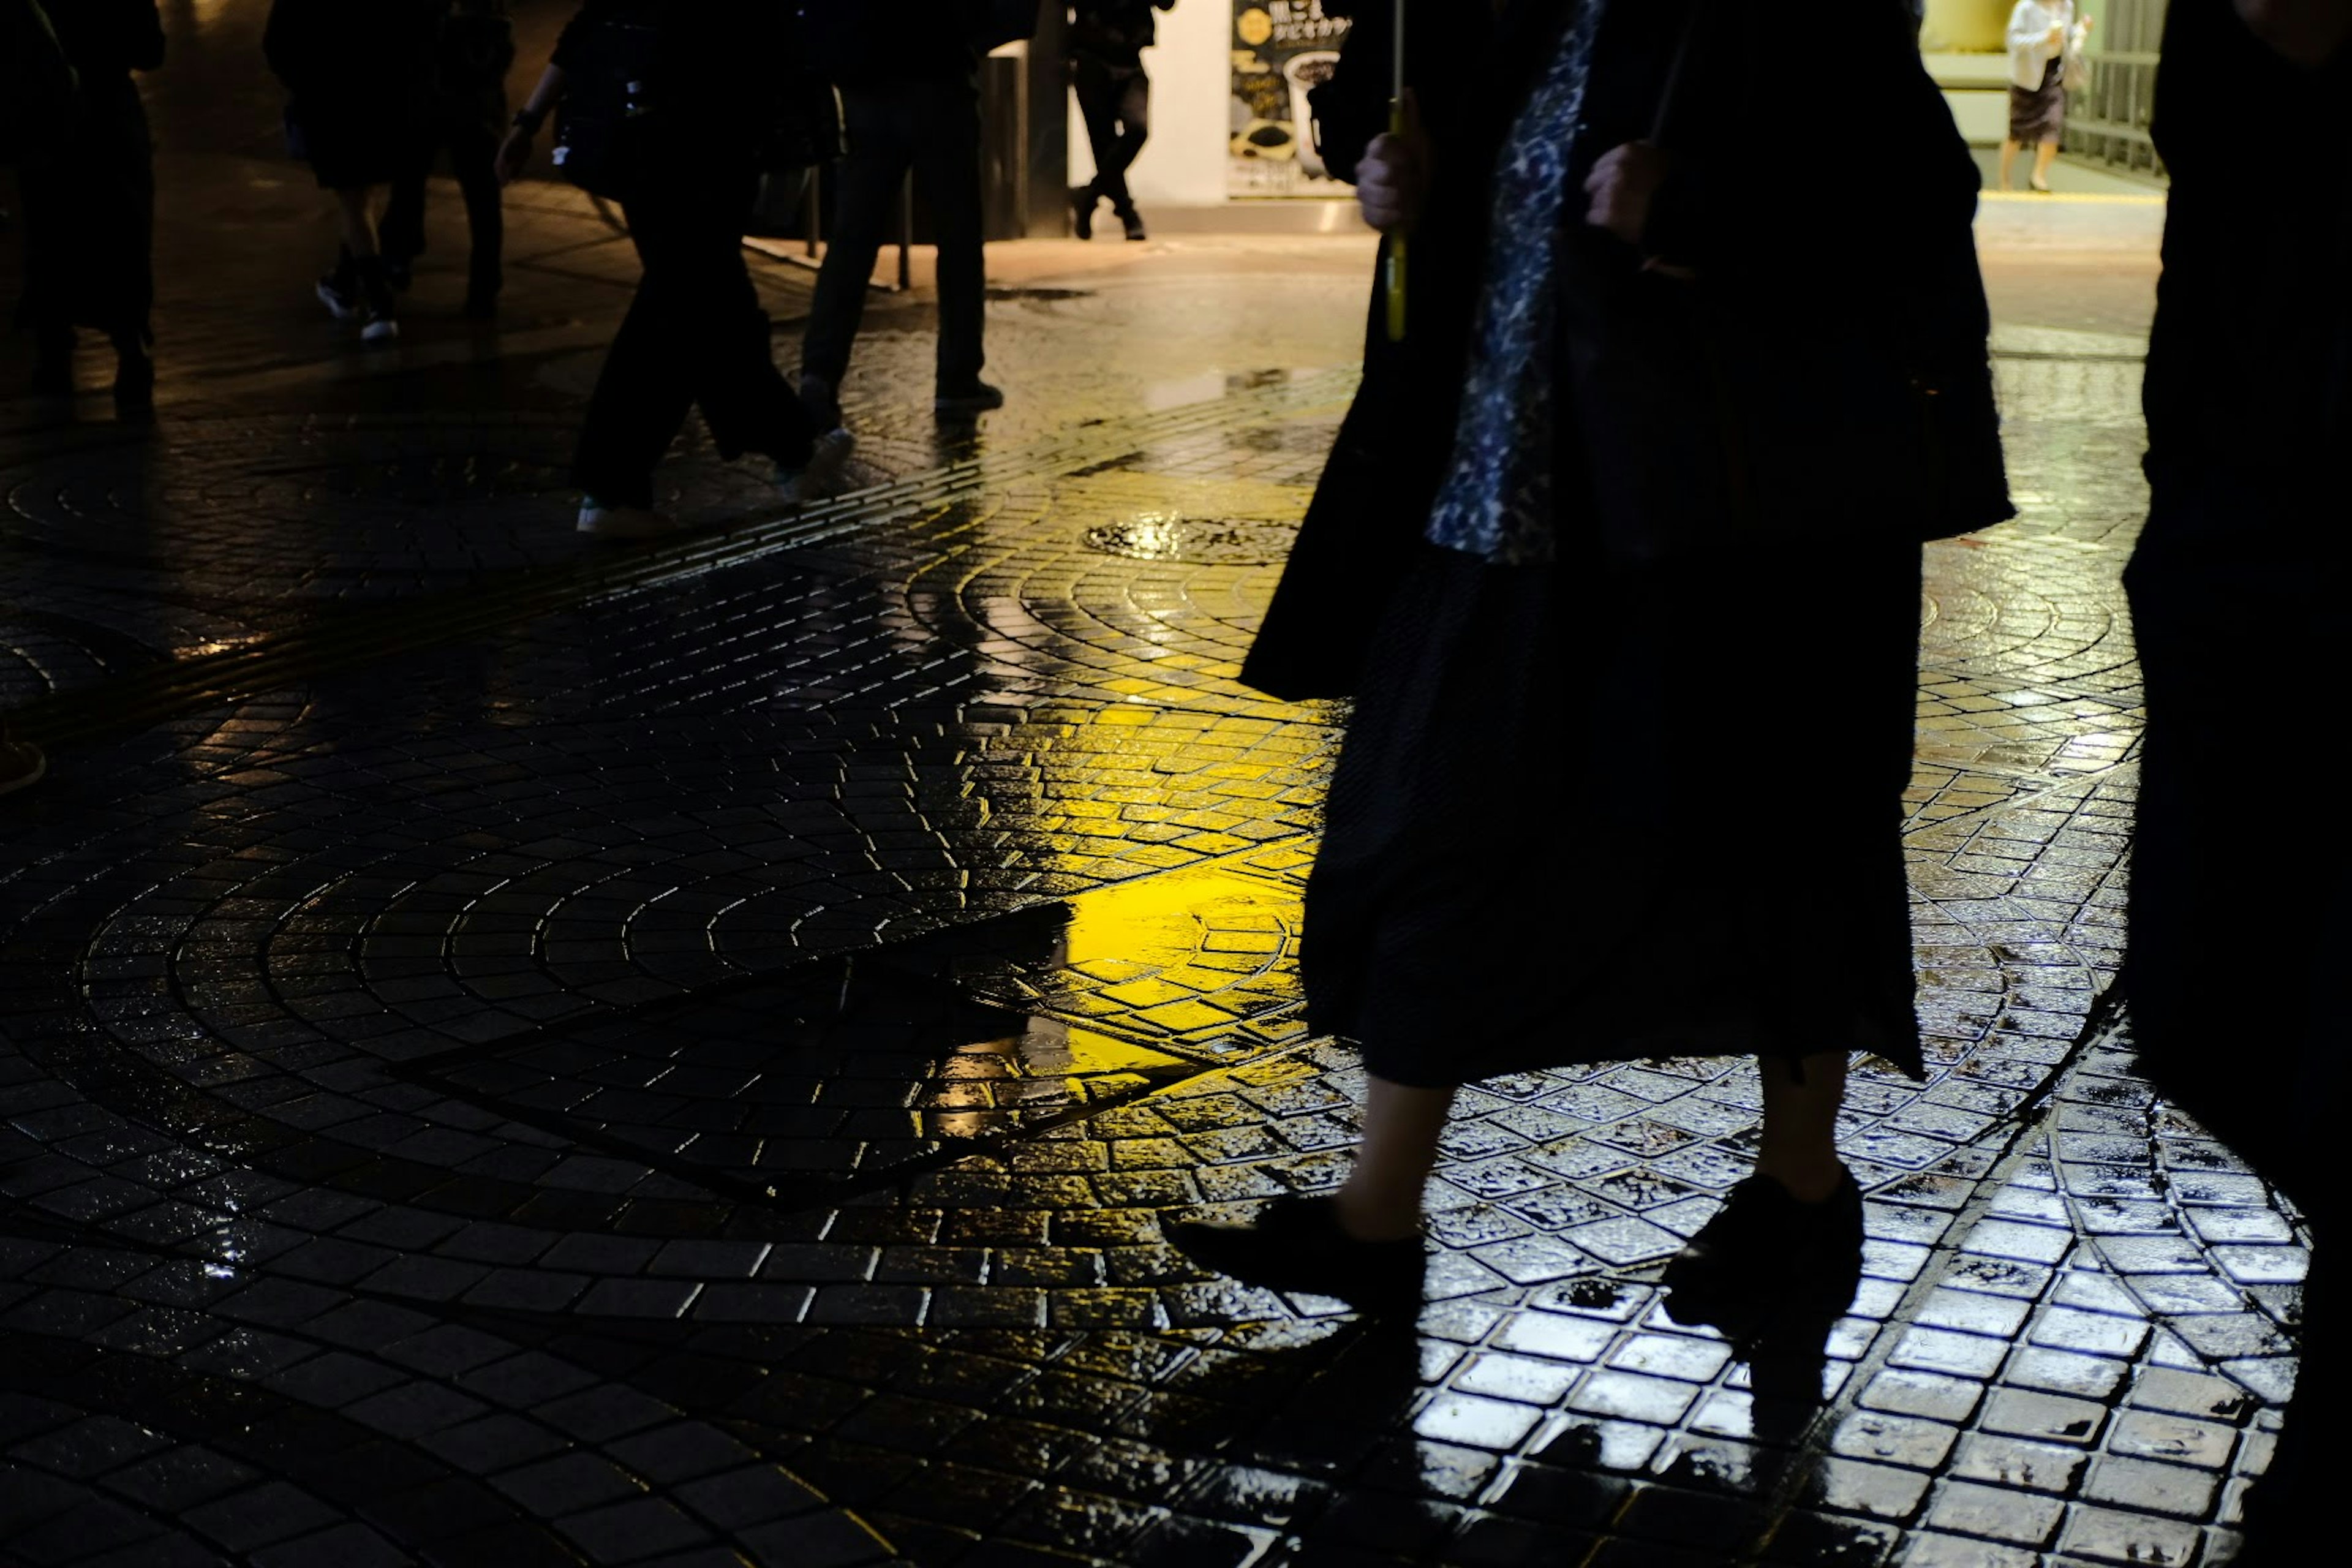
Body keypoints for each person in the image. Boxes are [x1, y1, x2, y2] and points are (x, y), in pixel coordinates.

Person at [1170, 0, 2011, 1335]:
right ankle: (1376, 1212)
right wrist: (1379, 163)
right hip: (1503, 486)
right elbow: (1400, 100)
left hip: (1730, 509)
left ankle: (1799, 1189)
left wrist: (1698, 211)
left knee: (1777, 834)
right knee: (1429, 814)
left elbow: (1913, 197)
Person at [2121, 1, 2350, 1555]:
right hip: (2237, 552)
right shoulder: (2223, 57)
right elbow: (2202, 268)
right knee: (2198, 1003)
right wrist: (2176, 514)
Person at [499, 1, 854, 540]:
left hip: (645, 145)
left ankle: (792, 449)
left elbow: (588, 27)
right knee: (684, 306)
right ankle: (615, 487)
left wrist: (528, 121)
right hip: (709, 143)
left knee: (704, 301)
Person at [798, 0, 1000, 426]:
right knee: (958, 237)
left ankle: (820, 372)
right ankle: (958, 376)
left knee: (852, 239)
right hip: (939, 77)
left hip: (868, 83)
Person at [11, 0, 165, 420]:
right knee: (122, 238)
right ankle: (131, 351)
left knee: (51, 236)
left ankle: (53, 355)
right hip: (110, 123)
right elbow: (151, 51)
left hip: (46, 128)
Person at [265, 0, 449, 344]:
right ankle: (344, 281)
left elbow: (278, 45)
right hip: (386, 101)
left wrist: (306, 84)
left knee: (354, 201)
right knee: (361, 199)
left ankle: (379, 306)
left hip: (332, 105)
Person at [380, 0, 514, 318]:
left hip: (433, 106)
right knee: (484, 203)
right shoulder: (495, 21)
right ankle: (485, 287)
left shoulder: (437, 19)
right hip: (478, 114)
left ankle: (400, 251)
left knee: (409, 180)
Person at [1068, 0, 1176, 241]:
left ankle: (1089, 195)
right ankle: (1128, 214)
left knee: (1138, 129)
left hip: (1130, 57)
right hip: (1091, 56)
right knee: (1103, 141)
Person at [2000, 1, 2090, 192]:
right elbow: (2012, 40)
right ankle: (2005, 179)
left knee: (2053, 124)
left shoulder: (2066, 6)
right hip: (2026, 76)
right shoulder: (2026, 8)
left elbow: (2067, 36)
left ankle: (2039, 176)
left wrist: (2082, 29)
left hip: (2053, 73)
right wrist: (2044, 38)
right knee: (2016, 132)